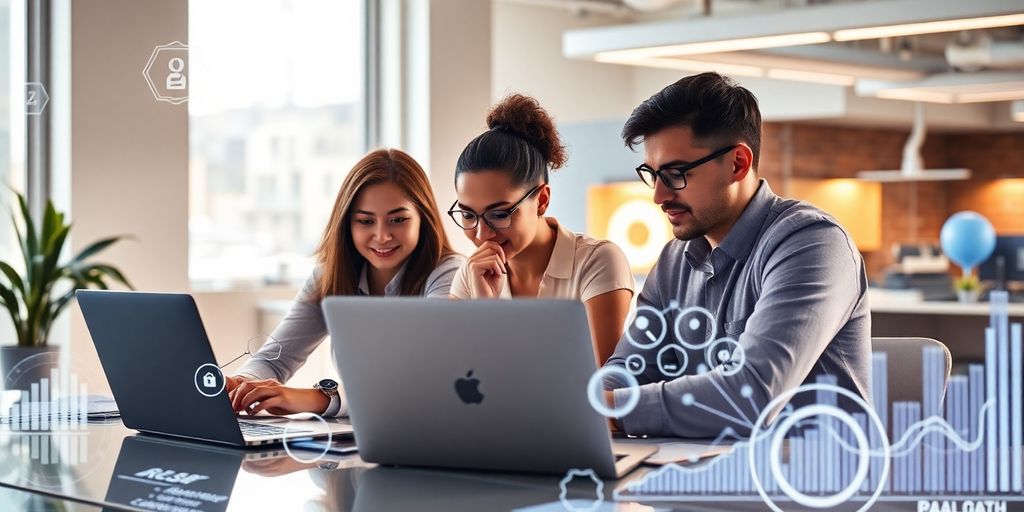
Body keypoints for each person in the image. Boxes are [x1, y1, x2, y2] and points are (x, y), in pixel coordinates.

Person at [603, 72, 871, 437]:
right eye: (653, 174)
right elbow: (630, 368)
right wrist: (589, 400)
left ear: (738, 163)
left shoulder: (813, 244)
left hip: (812, 468)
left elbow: (752, 395)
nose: (659, 196)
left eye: (676, 174)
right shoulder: (672, 262)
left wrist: (614, 409)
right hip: (702, 464)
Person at [227, 148, 464, 417]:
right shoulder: (328, 277)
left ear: (424, 217)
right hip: (359, 434)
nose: (382, 235)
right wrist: (239, 385)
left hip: (425, 430)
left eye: (398, 220)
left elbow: (421, 378)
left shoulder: (450, 273)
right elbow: (275, 359)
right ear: (347, 224)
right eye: (365, 221)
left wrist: (320, 398)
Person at [447, 94, 634, 365]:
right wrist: (485, 308)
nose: (481, 234)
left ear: (542, 200)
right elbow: (451, 373)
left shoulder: (596, 261)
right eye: (467, 215)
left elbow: (603, 382)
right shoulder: (471, 274)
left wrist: (491, 317)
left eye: (499, 214)